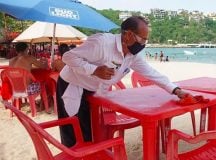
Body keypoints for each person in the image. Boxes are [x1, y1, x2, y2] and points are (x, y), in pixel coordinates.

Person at [57, 16, 191, 147]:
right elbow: (68, 57)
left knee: (93, 132)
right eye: (142, 39)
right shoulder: (101, 43)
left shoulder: (133, 56)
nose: (143, 44)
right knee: (74, 134)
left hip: (95, 92)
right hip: (73, 85)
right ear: (128, 35)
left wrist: (175, 90)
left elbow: (151, 73)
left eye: (146, 40)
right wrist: (94, 70)